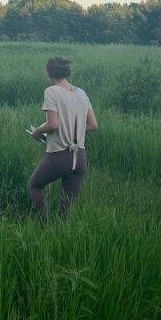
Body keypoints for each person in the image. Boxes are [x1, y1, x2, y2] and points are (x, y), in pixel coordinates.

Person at [28, 57, 98, 219]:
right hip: (80, 157)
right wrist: (74, 129)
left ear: (49, 73)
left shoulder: (51, 91)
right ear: (66, 73)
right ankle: (59, 232)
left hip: (60, 155)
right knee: (65, 208)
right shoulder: (81, 93)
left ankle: (44, 226)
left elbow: (52, 125)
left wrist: (37, 132)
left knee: (34, 186)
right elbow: (93, 125)